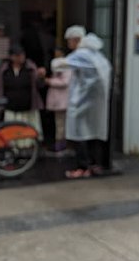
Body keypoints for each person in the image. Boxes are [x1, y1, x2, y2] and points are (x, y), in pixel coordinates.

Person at [64, 32, 112, 179]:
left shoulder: (82, 55)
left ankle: (82, 167)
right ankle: (95, 165)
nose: (68, 44)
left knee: (81, 135)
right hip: (97, 104)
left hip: (82, 103)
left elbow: (60, 65)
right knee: (94, 134)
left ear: (77, 40)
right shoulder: (100, 58)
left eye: (69, 41)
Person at [0, 43, 45, 139]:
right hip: (11, 105)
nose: (20, 57)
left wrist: (41, 77)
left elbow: (39, 85)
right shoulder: (5, 69)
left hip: (27, 105)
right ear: (11, 57)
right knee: (11, 130)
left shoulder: (31, 68)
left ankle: (30, 148)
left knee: (28, 131)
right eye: (17, 55)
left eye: (22, 55)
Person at [44, 47, 71, 153]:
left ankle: (60, 143)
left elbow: (65, 82)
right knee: (59, 122)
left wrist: (49, 81)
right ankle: (60, 142)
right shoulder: (60, 67)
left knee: (61, 123)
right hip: (58, 99)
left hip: (62, 99)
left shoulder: (66, 67)